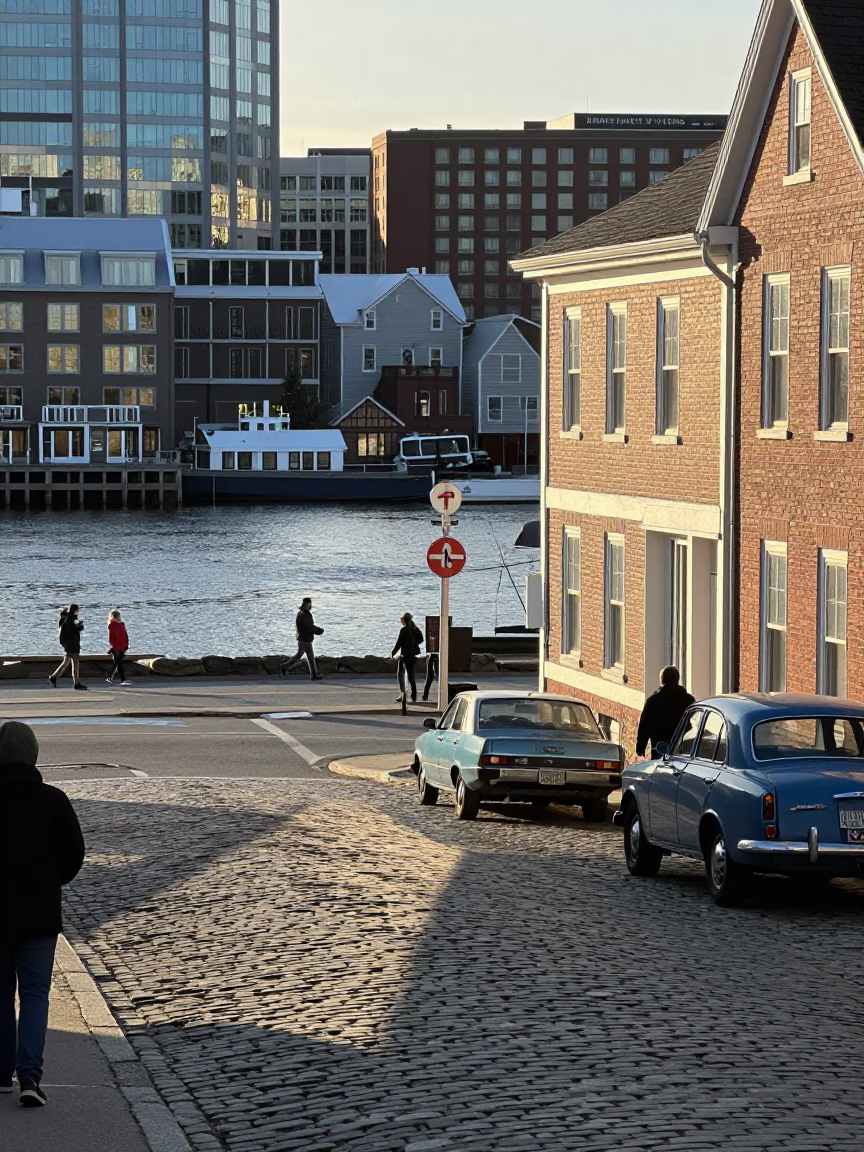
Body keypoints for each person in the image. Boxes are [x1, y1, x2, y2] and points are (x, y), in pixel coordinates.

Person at [0, 721, 85, 1107]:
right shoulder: (53, 799)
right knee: (35, 995)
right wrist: (53, 881)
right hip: (39, 914)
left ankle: (2, 1071)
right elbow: (73, 854)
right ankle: (30, 1077)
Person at [635, 666, 696, 759]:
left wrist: (640, 747)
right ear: (677, 679)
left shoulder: (653, 701)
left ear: (662, 681)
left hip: (660, 746)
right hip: (684, 746)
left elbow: (645, 725)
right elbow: (695, 722)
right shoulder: (689, 700)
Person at [280, 598, 325, 680]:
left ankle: (314, 675)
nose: (311, 605)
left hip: (304, 638)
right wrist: (319, 630)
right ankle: (284, 666)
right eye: (310, 604)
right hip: (305, 639)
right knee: (299, 655)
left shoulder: (300, 613)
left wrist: (316, 630)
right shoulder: (305, 614)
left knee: (310, 657)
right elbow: (309, 627)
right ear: (308, 604)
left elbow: (307, 627)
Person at [49, 605, 86, 691]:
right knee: (75, 664)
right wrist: (79, 626)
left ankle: (53, 676)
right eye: (77, 611)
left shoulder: (68, 620)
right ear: (74, 611)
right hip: (72, 646)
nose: (78, 613)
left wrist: (79, 627)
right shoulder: (69, 620)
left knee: (66, 663)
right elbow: (71, 632)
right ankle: (77, 683)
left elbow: (72, 631)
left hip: (69, 646)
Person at [391, 612, 424, 703]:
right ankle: (414, 696)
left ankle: (402, 694)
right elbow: (421, 640)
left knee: (400, 674)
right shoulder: (416, 629)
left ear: (404, 620)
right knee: (411, 676)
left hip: (404, 655)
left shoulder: (404, 630)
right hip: (413, 655)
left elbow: (399, 643)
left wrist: (393, 652)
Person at [106, 610, 131, 686]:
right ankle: (119, 678)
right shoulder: (112, 625)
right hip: (116, 647)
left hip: (122, 646)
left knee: (118, 663)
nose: (119, 618)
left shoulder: (121, 624)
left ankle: (115, 678)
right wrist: (114, 646)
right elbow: (112, 638)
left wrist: (126, 644)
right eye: (118, 617)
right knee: (117, 662)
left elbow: (125, 635)